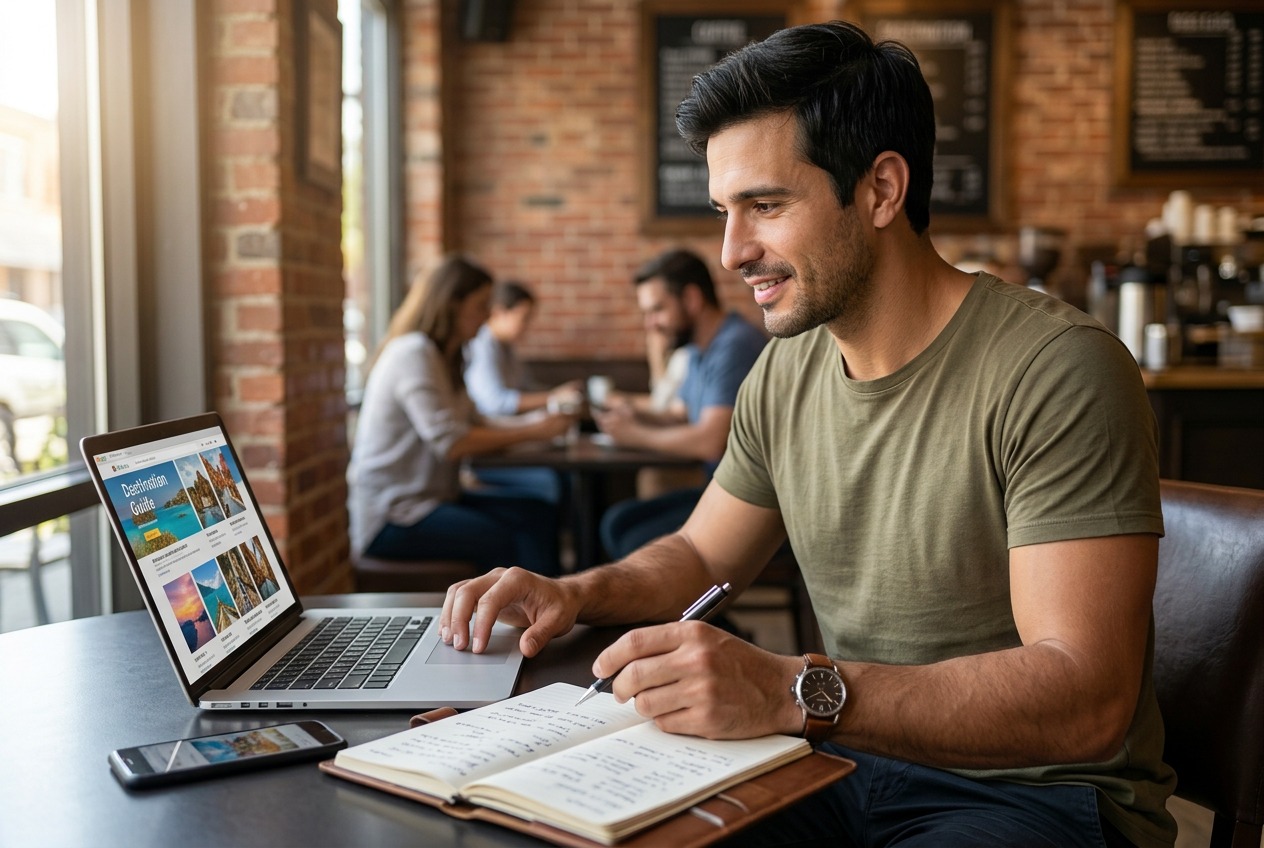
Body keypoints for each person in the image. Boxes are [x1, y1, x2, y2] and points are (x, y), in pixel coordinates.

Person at [440, 20, 1176, 848]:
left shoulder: (1058, 370)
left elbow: (1085, 700)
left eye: (765, 205)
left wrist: (794, 690)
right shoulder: (786, 372)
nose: (730, 251)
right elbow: (703, 558)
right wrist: (577, 594)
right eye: (724, 210)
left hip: (1035, 798)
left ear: (880, 191)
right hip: (842, 762)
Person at [347, 255, 576, 576]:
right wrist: (536, 431)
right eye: (481, 305)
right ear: (452, 304)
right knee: (501, 536)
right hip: (393, 517)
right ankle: (521, 617)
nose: (487, 317)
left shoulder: (447, 358)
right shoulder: (412, 353)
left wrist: (543, 426)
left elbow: (478, 423)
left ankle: (554, 606)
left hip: (436, 501)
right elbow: (452, 443)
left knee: (537, 512)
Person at [594, 248, 766, 559]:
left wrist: (635, 435)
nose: (650, 324)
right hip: (722, 490)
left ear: (691, 299)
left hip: (754, 502)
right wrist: (631, 416)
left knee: (634, 540)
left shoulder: (735, 345)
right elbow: (682, 414)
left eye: (656, 310)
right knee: (616, 523)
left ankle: (701, 609)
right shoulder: (700, 351)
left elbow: (711, 442)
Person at [463, 279, 579, 506]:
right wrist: (554, 396)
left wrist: (559, 394)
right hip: (489, 450)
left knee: (567, 475)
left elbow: (526, 389)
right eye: (523, 318)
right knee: (550, 480)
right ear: (499, 313)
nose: (526, 327)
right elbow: (495, 403)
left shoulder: (507, 349)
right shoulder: (483, 345)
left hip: (512, 443)